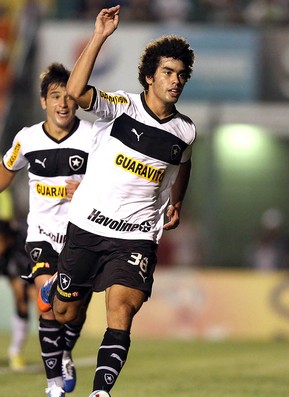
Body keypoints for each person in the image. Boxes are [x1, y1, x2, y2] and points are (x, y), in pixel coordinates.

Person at [39, 5, 196, 397]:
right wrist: (99, 37)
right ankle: (60, 284)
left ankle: (100, 392)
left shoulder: (186, 131)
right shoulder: (120, 107)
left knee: (121, 311)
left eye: (180, 75)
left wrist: (176, 201)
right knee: (65, 311)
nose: (175, 81)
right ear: (148, 77)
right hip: (88, 226)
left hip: (137, 235)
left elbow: (184, 165)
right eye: (167, 72)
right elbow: (75, 92)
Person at [0, 63, 94, 397]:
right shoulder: (26, 139)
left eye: (69, 96)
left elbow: (110, 183)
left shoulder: (93, 138)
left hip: (82, 237)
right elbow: (4, 174)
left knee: (74, 311)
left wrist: (85, 191)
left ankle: (65, 351)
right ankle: (53, 385)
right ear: (44, 101)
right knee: (49, 305)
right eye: (56, 96)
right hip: (40, 236)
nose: (63, 103)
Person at [0, 218, 35, 370]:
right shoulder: (4, 256)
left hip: (38, 269)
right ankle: (15, 351)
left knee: (45, 307)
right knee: (21, 301)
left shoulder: (24, 239)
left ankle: (58, 351)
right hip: (18, 272)